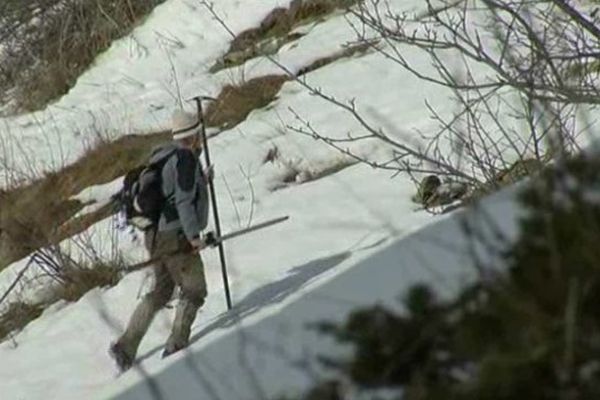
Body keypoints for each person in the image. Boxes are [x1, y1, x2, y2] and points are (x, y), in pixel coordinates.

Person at [110, 109, 212, 371]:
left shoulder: (164, 156)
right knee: (194, 289)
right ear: (192, 136)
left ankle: (125, 345)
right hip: (175, 235)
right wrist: (193, 237)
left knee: (161, 291)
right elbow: (184, 201)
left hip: (154, 236)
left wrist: (203, 179)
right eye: (198, 134)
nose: (201, 138)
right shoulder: (185, 159)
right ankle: (177, 343)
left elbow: (173, 191)